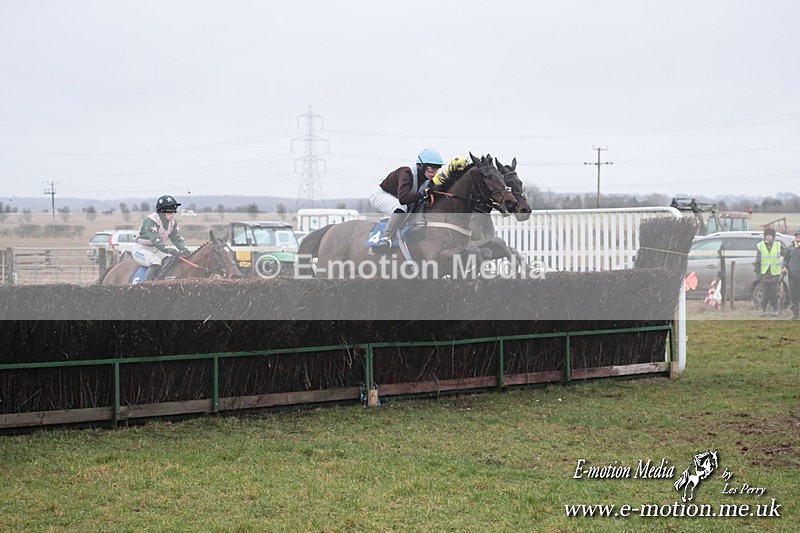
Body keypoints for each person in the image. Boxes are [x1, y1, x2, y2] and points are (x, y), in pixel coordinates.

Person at [369, 148, 444, 252]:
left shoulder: (428, 180)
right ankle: (385, 238)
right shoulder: (406, 172)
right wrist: (422, 194)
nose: (434, 173)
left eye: (436, 169)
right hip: (381, 195)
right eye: (431, 169)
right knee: (402, 207)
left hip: (397, 197)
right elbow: (404, 199)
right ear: (421, 166)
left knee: (418, 205)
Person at [132, 195, 191, 281]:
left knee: (169, 260)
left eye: (174, 210)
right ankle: (147, 286)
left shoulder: (172, 223)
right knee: (155, 262)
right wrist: (173, 251)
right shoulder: (151, 221)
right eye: (170, 211)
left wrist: (185, 250)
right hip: (141, 249)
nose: (173, 214)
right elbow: (158, 242)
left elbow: (177, 239)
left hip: (156, 249)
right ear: (162, 211)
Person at [754, 227, 783, 316]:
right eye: (767, 235)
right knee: (764, 294)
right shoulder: (761, 246)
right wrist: (757, 272)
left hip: (774, 274)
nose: (769, 237)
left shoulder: (778, 245)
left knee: (774, 294)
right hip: (764, 274)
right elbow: (758, 260)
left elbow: (786, 254)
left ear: (773, 237)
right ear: (765, 237)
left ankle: (775, 310)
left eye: (770, 235)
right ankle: (763, 311)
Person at [782, 228, 800, 319]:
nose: (798, 237)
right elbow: (786, 259)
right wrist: (784, 267)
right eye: (797, 236)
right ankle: (795, 314)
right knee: (794, 296)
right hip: (793, 275)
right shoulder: (791, 247)